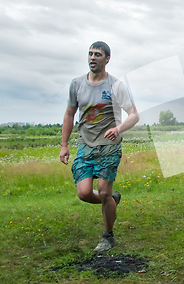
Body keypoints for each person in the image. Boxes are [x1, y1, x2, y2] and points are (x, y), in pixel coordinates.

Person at [60, 41, 139, 253]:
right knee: (84, 193)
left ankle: (108, 236)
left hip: (109, 147)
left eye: (97, 54)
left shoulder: (116, 86)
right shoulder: (76, 84)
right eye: (90, 54)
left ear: (107, 59)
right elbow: (69, 114)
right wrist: (64, 145)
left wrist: (119, 128)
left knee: (103, 192)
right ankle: (112, 201)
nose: (93, 57)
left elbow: (134, 115)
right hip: (85, 146)